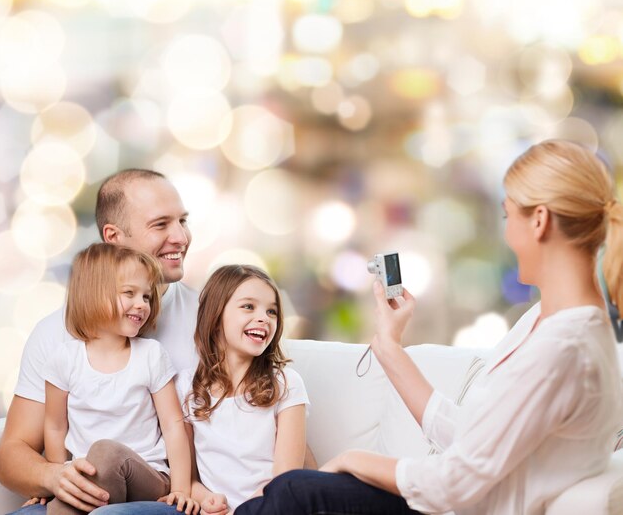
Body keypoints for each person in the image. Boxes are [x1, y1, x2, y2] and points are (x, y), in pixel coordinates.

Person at [235, 139, 623, 515]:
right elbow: (473, 438)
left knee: (294, 490)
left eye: (508, 216)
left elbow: (454, 482)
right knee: (293, 490)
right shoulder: (546, 324)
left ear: (539, 221)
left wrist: (353, 460)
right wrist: (388, 344)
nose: (507, 233)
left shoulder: (565, 347)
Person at [0, 169, 197, 514]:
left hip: (159, 492)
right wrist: (54, 475)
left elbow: (272, 407)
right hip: (88, 490)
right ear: (113, 237)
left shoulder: (212, 319)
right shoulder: (55, 338)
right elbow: (13, 452)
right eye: (161, 224)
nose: (181, 236)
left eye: (182, 221)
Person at [43, 243, 196, 515]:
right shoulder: (64, 359)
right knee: (90, 469)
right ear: (93, 295)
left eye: (147, 297)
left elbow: (174, 426)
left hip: (148, 476)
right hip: (90, 478)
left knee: (105, 452)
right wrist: (58, 481)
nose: (142, 304)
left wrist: (181, 490)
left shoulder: (150, 355)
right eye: (130, 293)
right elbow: (55, 427)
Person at [176, 264, 309, 514]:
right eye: (249, 306)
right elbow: (187, 479)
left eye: (272, 311)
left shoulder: (286, 384)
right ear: (215, 317)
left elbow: (285, 481)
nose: (263, 318)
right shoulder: (187, 386)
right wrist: (208, 500)